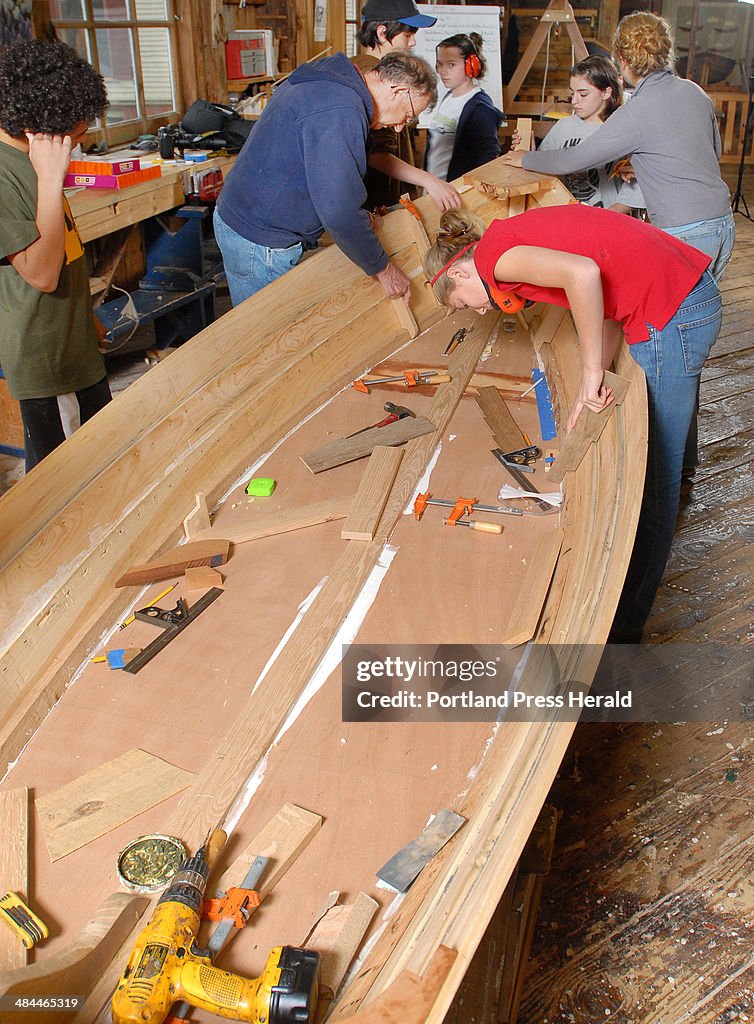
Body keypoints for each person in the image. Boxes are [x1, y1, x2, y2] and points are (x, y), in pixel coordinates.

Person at [422, 205, 722, 642]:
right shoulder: (505, 240)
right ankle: (684, 471)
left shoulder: (494, 260)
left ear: (462, 276)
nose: (479, 312)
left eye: (463, 304)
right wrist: (594, 374)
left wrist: (590, 372)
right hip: (687, 294)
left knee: (655, 480)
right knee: (666, 451)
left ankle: (622, 629)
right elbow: (607, 303)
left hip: (674, 315)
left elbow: (583, 275)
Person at [503, 12, 734, 475]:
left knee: (668, 351)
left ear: (624, 61)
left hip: (684, 235)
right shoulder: (694, 93)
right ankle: (685, 463)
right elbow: (704, 150)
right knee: (687, 347)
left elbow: (581, 156)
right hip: (722, 226)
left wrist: (523, 158)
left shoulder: (639, 110)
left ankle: (664, 471)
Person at [214, 50, 437, 307]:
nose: (400, 127)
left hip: (247, 217)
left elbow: (317, 171)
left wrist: (355, 213)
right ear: (397, 90)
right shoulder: (341, 109)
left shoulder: (337, 78)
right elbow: (337, 211)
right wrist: (383, 269)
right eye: (408, 116)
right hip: (258, 238)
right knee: (264, 338)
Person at [0, 39, 111, 473]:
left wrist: (86, 315)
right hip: (44, 361)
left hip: (75, 344)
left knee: (103, 460)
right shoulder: (12, 172)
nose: (80, 145)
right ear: (45, 126)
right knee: (59, 481)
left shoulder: (32, 157)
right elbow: (42, 276)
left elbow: (63, 247)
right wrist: (51, 179)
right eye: (78, 137)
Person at [352, 0, 460, 212]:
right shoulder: (374, 80)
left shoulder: (363, 67)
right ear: (382, 33)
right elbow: (376, 154)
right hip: (379, 198)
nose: (412, 42)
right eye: (407, 34)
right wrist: (429, 180)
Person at [529, 55, 644, 214]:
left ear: (606, 93)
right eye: (572, 94)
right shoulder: (563, 128)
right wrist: (529, 151)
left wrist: (609, 216)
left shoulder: (624, 130)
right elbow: (543, 173)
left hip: (613, 223)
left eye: (583, 94)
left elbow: (639, 186)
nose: (574, 101)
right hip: (567, 221)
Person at [424, 32, 503, 182]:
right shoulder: (449, 97)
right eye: (439, 64)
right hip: (436, 190)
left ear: (471, 65)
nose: (442, 71)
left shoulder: (480, 108)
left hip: (455, 195)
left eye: (451, 64)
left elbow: (488, 160)